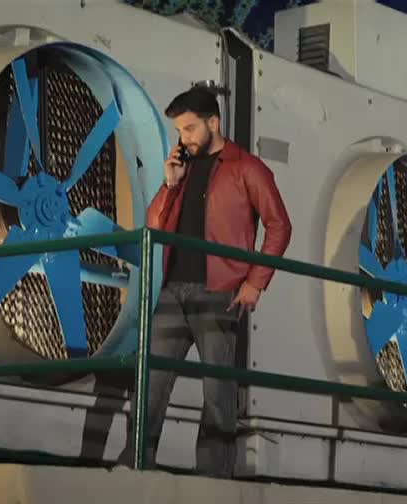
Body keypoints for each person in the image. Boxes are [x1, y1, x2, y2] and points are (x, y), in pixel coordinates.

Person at [117, 85, 292, 476]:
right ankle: (136, 464)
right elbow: (154, 224)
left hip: (220, 292)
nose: (184, 138)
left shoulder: (248, 167)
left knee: (217, 389)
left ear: (214, 122)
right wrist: (170, 183)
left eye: (190, 128)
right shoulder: (184, 168)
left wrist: (255, 282)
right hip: (172, 291)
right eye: (180, 130)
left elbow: (280, 225)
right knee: (150, 381)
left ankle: (213, 478)